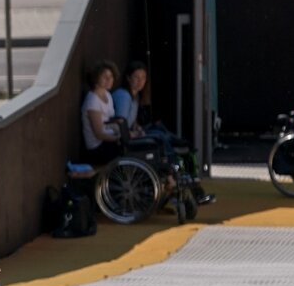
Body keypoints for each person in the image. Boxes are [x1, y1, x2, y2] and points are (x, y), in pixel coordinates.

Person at [112, 60, 215, 205]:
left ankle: (177, 145)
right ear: (128, 78)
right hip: (126, 139)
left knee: (158, 128)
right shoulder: (124, 96)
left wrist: (137, 127)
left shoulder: (135, 97)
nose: (140, 81)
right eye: (136, 77)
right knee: (159, 137)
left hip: (132, 133)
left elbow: (130, 120)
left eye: (143, 78)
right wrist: (134, 133)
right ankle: (172, 160)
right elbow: (121, 122)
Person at [81, 60, 122, 167]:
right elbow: (99, 134)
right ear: (96, 78)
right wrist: (118, 138)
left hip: (108, 139)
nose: (109, 80)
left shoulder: (107, 95)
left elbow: (110, 121)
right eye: (105, 77)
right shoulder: (92, 101)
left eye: (111, 76)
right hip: (97, 146)